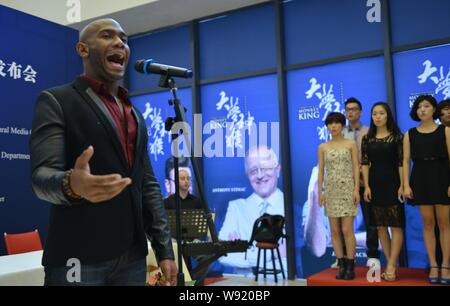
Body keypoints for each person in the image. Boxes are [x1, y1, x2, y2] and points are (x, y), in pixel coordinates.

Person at [29, 19, 176, 286]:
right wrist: (71, 184)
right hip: (76, 256)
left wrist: (164, 249)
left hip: (132, 256)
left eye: (123, 38)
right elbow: (40, 177)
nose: (120, 42)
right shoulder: (56, 100)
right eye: (107, 36)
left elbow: (148, 185)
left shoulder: (136, 115)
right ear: (83, 49)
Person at [403, 95, 450, 285]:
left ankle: (446, 265)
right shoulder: (410, 134)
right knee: (428, 224)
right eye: (419, 107)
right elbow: (405, 161)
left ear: (434, 110)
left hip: (441, 176)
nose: (422, 109)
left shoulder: (445, 131)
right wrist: (406, 184)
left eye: (427, 106)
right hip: (420, 178)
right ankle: (433, 264)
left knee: (444, 224)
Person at [218, 145, 285, 275]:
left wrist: (240, 251)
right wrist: (272, 255)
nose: (260, 175)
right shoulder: (236, 208)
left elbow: (289, 253)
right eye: (253, 171)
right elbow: (221, 255)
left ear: (278, 170)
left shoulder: (291, 209)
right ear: (247, 175)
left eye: (265, 168)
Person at [361, 102, 405, 281]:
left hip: (393, 183)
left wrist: (403, 184)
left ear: (388, 116)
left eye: (381, 113)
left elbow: (402, 162)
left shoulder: (396, 137)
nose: (378, 116)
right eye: (374, 114)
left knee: (395, 225)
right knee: (380, 227)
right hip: (375, 184)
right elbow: (364, 163)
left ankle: (392, 265)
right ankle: (389, 262)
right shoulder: (367, 138)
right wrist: (367, 186)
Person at [318, 112, 360, 280]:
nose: (333, 126)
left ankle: (351, 264)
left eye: (337, 123)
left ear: (343, 126)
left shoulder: (351, 144)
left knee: (347, 230)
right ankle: (341, 264)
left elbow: (356, 167)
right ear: (327, 127)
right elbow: (321, 170)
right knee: (334, 231)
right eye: (330, 123)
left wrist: (356, 189)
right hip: (330, 190)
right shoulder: (323, 147)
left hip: (348, 189)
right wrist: (320, 191)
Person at [343, 97, 380, 269]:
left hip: (365, 182)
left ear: (361, 112)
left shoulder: (369, 131)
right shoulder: (340, 133)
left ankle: (373, 256)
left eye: (355, 109)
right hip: (345, 184)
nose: (351, 112)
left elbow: (373, 157)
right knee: (344, 222)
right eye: (348, 109)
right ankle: (343, 257)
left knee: (370, 220)